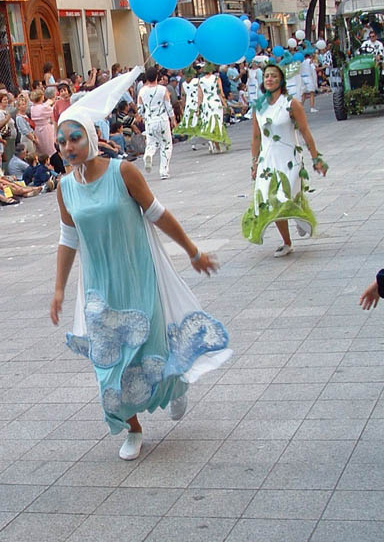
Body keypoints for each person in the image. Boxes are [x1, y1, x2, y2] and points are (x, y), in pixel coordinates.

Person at [51, 75, 231, 461]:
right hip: (100, 288)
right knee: (109, 363)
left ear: (91, 137)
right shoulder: (65, 188)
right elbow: (69, 239)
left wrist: (192, 250)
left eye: (75, 137)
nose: (68, 146)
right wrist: (59, 290)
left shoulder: (122, 172)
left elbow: (157, 214)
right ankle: (131, 429)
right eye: (62, 140)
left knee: (147, 350)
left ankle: (176, 385)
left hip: (137, 275)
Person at [242, 63, 328, 256]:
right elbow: (256, 137)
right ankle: (286, 242)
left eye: (273, 76)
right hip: (267, 161)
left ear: (280, 80)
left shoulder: (291, 103)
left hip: (290, 159)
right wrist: (254, 163)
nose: (269, 79)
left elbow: (305, 131)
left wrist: (316, 158)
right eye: (266, 76)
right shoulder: (259, 107)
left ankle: (298, 217)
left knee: (284, 196)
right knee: (270, 199)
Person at [137, 67, 175, 179]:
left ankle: (148, 155)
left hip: (150, 121)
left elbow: (140, 109)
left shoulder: (142, 91)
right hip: (162, 119)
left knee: (151, 143)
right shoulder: (163, 90)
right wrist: (173, 119)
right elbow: (168, 106)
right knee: (166, 145)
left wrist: (145, 117)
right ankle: (164, 170)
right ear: (157, 77)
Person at [198, 64, 231, 154]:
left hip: (206, 102)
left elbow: (200, 95)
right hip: (215, 101)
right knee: (218, 122)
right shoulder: (216, 78)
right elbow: (220, 92)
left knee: (209, 122)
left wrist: (198, 107)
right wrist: (225, 104)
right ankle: (218, 144)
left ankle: (211, 141)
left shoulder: (200, 80)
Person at [31, 88, 56, 157]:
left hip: (37, 129)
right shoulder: (43, 108)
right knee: (48, 147)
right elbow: (53, 112)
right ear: (41, 97)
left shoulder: (32, 108)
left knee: (41, 148)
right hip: (45, 129)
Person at [0, 92, 17, 166]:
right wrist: (7, 119)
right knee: (8, 156)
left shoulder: (6, 111)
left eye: (7, 99)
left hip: (12, 137)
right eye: (4, 100)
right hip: (6, 138)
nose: (6, 101)